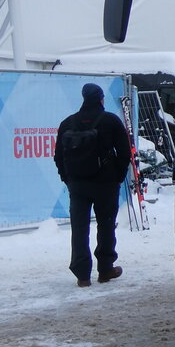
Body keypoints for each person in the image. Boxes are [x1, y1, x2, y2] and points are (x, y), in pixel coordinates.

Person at [54, 83, 133, 287]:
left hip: (78, 186)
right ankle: (105, 269)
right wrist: (118, 176)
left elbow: (58, 156)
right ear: (100, 99)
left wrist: (68, 178)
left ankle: (82, 275)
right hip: (105, 184)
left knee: (79, 228)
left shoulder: (68, 123)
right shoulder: (110, 121)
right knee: (106, 225)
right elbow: (125, 152)